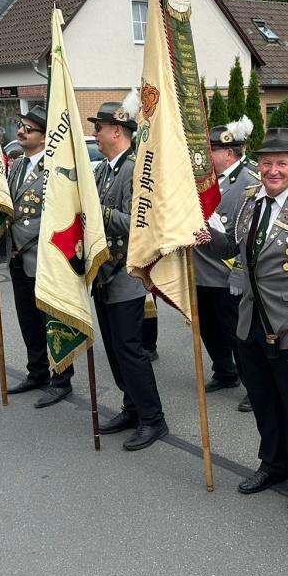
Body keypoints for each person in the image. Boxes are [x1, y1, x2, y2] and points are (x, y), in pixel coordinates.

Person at [203, 117, 288, 512]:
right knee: (262, 398)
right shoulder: (249, 199)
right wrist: (205, 235)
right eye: (266, 163)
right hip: (249, 321)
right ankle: (273, 463)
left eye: (281, 163)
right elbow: (233, 249)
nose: (272, 171)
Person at [89, 97, 170, 452]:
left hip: (126, 275)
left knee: (130, 350)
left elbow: (140, 222)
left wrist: (99, 211)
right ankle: (131, 407)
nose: (95, 133)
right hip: (103, 274)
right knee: (115, 350)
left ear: (117, 131)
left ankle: (154, 419)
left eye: (99, 128)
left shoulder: (135, 170)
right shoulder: (105, 169)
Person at [4, 104, 73, 407]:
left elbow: (61, 213)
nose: (20, 131)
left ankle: (62, 378)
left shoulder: (55, 168)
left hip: (43, 255)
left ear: (44, 137)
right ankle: (37, 371)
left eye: (28, 129)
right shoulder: (18, 164)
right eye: (21, 126)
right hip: (17, 254)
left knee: (51, 320)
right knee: (27, 318)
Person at [194, 116, 259, 406]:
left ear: (230, 153)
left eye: (212, 150)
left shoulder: (249, 182)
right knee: (208, 326)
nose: (207, 156)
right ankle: (224, 371)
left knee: (237, 332)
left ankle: (252, 382)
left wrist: (240, 272)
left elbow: (249, 233)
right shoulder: (203, 181)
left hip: (226, 270)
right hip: (201, 269)